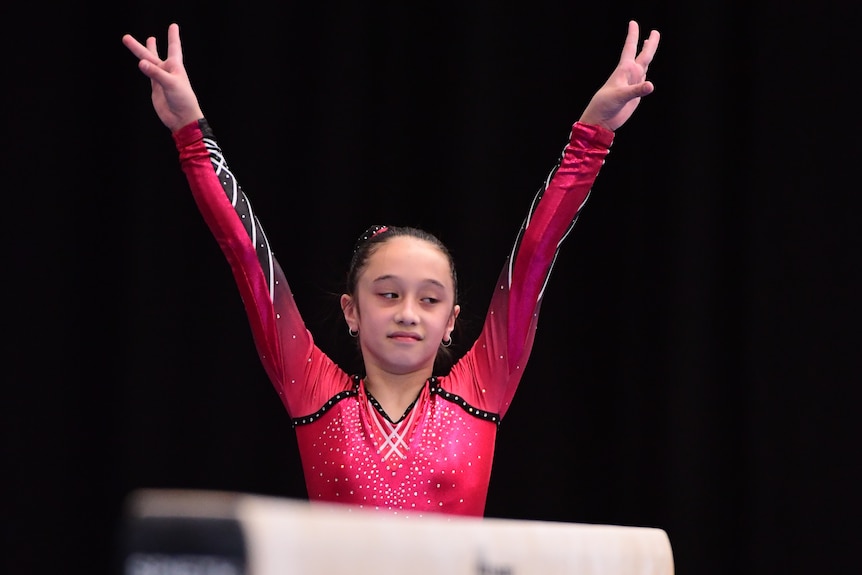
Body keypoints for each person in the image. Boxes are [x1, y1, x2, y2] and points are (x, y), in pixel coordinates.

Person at [122, 20, 660, 518]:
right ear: (351, 311)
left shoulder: (482, 388)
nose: (408, 313)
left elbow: (536, 253)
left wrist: (593, 134)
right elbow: (246, 255)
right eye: (387, 295)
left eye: (429, 299)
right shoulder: (314, 392)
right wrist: (189, 131)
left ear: (452, 319)